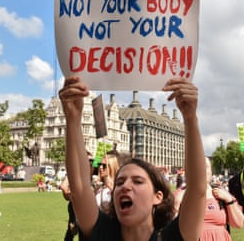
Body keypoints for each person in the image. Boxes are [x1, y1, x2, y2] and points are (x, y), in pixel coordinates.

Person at [58, 76, 206, 241]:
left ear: (157, 197)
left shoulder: (170, 237)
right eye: (120, 182)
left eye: (137, 181)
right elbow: (79, 188)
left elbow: (197, 190)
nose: (125, 186)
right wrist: (72, 119)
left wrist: (190, 117)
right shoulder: (103, 233)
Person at [174, 157, 244, 240]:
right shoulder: (180, 195)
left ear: (211, 171)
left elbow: (238, 224)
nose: (201, 170)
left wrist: (229, 200)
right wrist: (177, 204)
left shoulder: (222, 194)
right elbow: (168, 229)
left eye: (205, 166)